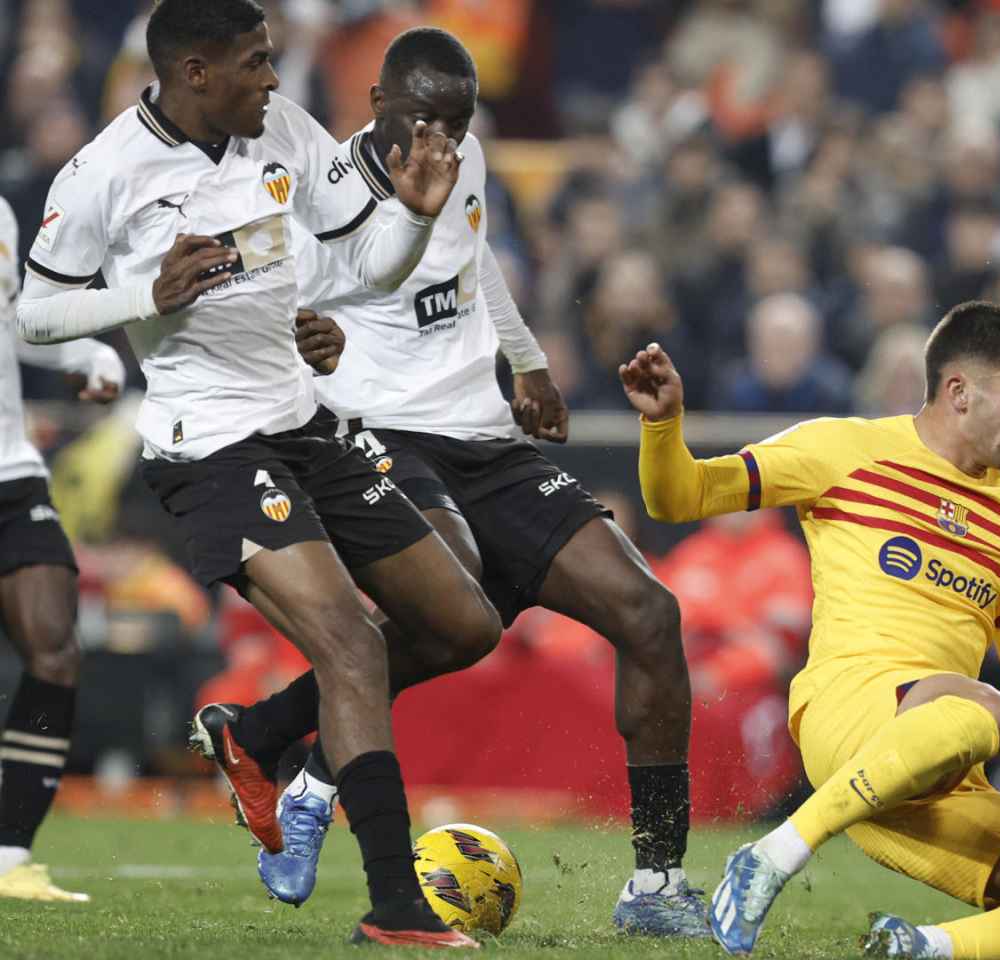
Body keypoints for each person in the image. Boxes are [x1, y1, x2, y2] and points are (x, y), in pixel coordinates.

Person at [15, 0, 503, 947]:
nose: (275, 80)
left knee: (462, 623)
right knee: (354, 649)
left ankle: (261, 733)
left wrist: (411, 219)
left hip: (301, 421)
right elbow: (32, 315)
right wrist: (139, 297)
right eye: (255, 64)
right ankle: (396, 907)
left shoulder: (279, 127)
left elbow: (363, 267)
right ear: (195, 71)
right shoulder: (105, 172)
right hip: (209, 447)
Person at [230, 27, 706, 936]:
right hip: (376, 434)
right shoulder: (321, 196)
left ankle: (654, 887)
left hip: (483, 439)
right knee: (453, 612)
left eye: (458, 120)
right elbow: (319, 299)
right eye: (423, 118)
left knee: (650, 615)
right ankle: (304, 761)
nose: (442, 139)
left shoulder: (465, 156)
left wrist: (525, 362)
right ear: (376, 104)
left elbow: (474, 255)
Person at [619, 302, 1000, 960]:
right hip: (847, 716)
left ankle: (921, 948)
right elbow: (680, 497)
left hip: (931, 776)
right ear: (959, 391)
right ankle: (773, 855)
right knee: (985, 711)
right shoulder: (843, 449)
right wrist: (663, 428)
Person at [0, 194, 124, 903]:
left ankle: (9, 855)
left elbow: (16, 321)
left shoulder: (1, 214)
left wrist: (86, 350)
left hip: (12, 470)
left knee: (55, 649)